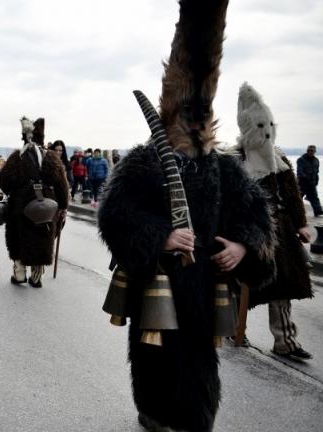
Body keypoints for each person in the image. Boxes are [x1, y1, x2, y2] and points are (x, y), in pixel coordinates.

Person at [98, 1, 276, 431]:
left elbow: (257, 220)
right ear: (172, 114)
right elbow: (113, 215)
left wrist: (242, 247)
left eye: (203, 115)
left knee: (199, 371)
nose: (196, 124)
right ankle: (154, 413)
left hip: (202, 292)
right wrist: (159, 236)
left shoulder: (225, 168)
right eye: (188, 115)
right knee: (154, 360)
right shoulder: (145, 162)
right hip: (156, 287)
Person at [228, 83, 313, 360]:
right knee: (242, 285)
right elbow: (229, 200)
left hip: (282, 234)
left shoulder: (280, 160)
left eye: (270, 125)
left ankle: (285, 341)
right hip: (249, 235)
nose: (266, 132)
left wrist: (301, 224)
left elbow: (292, 195)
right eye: (260, 126)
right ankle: (233, 327)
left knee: (283, 286)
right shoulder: (235, 160)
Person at [0, 117, 70, 288]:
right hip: (48, 204)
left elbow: (3, 181)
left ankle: (20, 273)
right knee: (43, 238)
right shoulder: (52, 157)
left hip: (20, 205)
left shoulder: (17, 157)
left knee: (17, 237)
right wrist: (64, 206)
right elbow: (62, 184)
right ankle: (37, 276)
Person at [297, 145, 323, 217]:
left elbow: (316, 171)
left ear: (315, 151)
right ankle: (297, 212)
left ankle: (318, 211)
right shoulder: (301, 159)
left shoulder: (316, 160)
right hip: (302, 183)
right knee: (298, 198)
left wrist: (316, 180)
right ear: (307, 151)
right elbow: (299, 171)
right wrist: (305, 177)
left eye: (312, 150)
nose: (310, 152)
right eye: (309, 150)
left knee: (314, 197)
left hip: (312, 183)